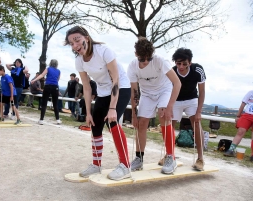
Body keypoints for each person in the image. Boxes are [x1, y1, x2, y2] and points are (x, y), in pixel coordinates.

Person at [65, 26, 131, 180]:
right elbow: (87, 88)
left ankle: (125, 166)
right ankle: (96, 165)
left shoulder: (103, 51)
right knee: (95, 124)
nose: (75, 45)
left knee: (112, 122)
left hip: (121, 88)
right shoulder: (79, 61)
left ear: (86, 37)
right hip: (102, 92)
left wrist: (113, 108)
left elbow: (116, 80)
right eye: (71, 43)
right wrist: (88, 113)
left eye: (77, 40)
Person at [127, 37, 181, 174]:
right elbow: (134, 92)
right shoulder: (132, 66)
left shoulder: (160, 61)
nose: (145, 62)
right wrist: (134, 114)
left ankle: (170, 157)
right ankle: (139, 159)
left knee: (163, 117)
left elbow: (177, 83)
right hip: (147, 93)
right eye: (142, 59)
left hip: (164, 90)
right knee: (141, 122)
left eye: (148, 59)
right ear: (136, 55)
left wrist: (169, 107)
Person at [171, 48, 206, 170]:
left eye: (184, 64)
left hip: (191, 100)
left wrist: (199, 111)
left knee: (196, 124)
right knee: (170, 126)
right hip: (176, 99)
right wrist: (168, 107)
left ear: (190, 63)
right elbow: (167, 90)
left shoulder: (198, 70)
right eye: (178, 63)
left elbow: (202, 92)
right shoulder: (172, 71)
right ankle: (169, 155)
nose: (181, 66)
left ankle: (200, 158)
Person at [224, 90, 253, 162]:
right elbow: (243, 104)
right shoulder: (250, 92)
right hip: (247, 115)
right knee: (240, 131)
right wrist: (238, 115)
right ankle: (231, 150)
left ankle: (252, 155)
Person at [31, 59, 61, 125]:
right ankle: (58, 119)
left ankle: (41, 120)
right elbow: (57, 79)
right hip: (55, 87)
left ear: (50, 63)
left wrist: (34, 80)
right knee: (55, 104)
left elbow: (42, 75)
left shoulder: (48, 68)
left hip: (47, 86)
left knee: (44, 103)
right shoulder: (58, 71)